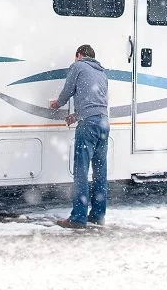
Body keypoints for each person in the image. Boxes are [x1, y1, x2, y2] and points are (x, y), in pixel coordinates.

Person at [49, 44, 110, 228]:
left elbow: (68, 90)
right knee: (100, 172)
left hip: (89, 125)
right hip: (103, 123)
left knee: (81, 171)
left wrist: (57, 104)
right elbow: (96, 102)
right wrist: (76, 116)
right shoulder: (102, 73)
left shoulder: (78, 66)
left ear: (79, 55)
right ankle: (98, 215)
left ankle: (78, 218)